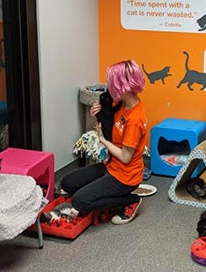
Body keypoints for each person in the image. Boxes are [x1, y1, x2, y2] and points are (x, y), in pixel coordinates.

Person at [60, 59, 148, 224]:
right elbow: (107, 118)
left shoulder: (135, 119)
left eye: (112, 83)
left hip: (125, 177)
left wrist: (102, 140)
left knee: (79, 202)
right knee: (68, 183)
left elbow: (125, 157)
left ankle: (130, 201)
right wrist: (98, 111)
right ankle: (101, 193)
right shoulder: (121, 103)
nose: (110, 87)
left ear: (124, 86)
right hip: (110, 166)